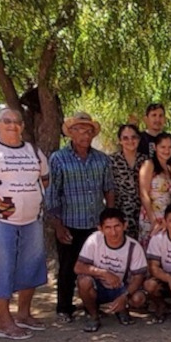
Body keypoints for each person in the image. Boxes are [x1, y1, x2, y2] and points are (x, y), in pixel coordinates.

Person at [0, 107, 49, 340]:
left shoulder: (33, 151)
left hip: (32, 220)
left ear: (23, 127)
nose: (12, 125)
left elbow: (44, 178)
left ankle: (23, 314)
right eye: (7, 121)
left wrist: (31, 197)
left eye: (17, 122)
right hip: (0, 221)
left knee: (31, 266)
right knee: (0, 268)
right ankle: (4, 321)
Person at [47, 112, 115, 323]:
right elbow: (52, 193)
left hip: (94, 224)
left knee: (95, 266)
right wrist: (57, 225)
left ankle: (91, 305)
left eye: (88, 131)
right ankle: (64, 308)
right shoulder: (58, 159)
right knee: (67, 267)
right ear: (71, 133)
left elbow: (109, 189)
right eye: (79, 130)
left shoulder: (102, 160)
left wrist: (109, 218)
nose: (84, 135)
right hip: (69, 223)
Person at [74, 208, 148, 332]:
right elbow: (78, 267)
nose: (113, 232)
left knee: (138, 298)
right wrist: (104, 273)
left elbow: (138, 277)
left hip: (121, 287)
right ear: (100, 228)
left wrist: (125, 296)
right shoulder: (94, 240)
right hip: (99, 287)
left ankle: (122, 309)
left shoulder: (133, 247)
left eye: (117, 226)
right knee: (83, 281)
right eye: (108, 228)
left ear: (125, 225)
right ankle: (93, 316)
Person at [111, 124, 148, 239]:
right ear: (120, 141)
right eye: (125, 138)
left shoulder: (146, 160)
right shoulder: (111, 161)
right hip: (120, 213)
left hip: (142, 213)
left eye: (133, 137)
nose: (130, 141)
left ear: (138, 139)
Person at [138, 134, 171, 243]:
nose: (166, 150)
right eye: (163, 147)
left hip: (167, 217)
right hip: (151, 216)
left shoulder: (169, 168)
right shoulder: (149, 165)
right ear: (155, 147)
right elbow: (143, 193)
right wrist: (153, 220)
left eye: (170, 147)